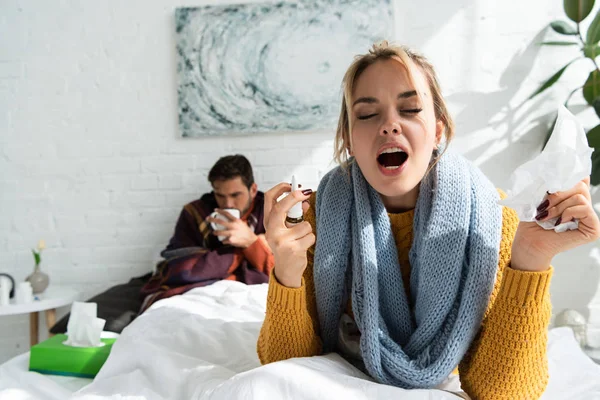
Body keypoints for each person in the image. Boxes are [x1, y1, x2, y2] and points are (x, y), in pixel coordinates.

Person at [256, 41, 600, 399]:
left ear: (438, 131)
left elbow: (504, 391)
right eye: (367, 114)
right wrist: (286, 272)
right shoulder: (318, 220)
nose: (389, 125)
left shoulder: (494, 219)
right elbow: (285, 370)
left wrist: (531, 256)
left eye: (409, 109)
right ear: (348, 141)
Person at [140, 154, 273, 311]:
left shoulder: (272, 213)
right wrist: (246, 249)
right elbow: (181, 267)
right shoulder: (196, 212)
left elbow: (286, 271)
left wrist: (250, 242)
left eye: (235, 195)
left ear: (253, 190)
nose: (228, 203)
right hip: (202, 291)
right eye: (220, 195)